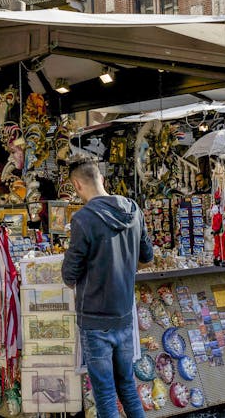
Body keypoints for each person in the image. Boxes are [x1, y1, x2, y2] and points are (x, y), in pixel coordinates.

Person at [62, 156, 153, 418]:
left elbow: (69, 274)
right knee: (127, 387)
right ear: (101, 178)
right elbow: (147, 258)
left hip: (95, 320)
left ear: (77, 185)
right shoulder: (134, 210)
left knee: (105, 395)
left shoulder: (83, 219)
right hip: (124, 316)